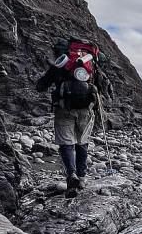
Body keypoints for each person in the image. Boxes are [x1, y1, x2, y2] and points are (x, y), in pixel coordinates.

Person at [36, 37, 102, 196]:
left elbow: (41, 85)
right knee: (82, 142)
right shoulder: (89, 65)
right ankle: (82, 177)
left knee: (67, 144)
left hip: (64, 108)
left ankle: (71, 176)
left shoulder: (60, 64)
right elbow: (101, 86)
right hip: (86, 110)